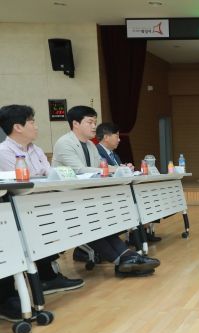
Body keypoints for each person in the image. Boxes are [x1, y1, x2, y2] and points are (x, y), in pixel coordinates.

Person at [52, 106, 161, 277]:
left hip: (83, 199)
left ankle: (127, 258)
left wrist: (121, 169)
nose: (94, 126)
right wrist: (113, 170)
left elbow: (101, 167)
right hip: (65, 202)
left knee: (102, 224)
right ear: (75, 124)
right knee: (94, 225)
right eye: (90, 122)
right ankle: (125, 260)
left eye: (95, 122)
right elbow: (79, 170)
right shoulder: (64, 143)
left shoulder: (90, 145)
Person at [0, 104, 85, 296]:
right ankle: (46, 278)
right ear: (17, 127)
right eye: (32, 122)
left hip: (40, 202)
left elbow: (49, 174)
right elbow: (21, 182)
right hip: (18, 208)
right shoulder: (3, 151)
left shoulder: (36, 149)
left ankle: (48, 276)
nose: (36, 126)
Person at [95, 122, 160, 243]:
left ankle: (142, 231)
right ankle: (137, 234)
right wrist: (122, 169)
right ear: (106, 137)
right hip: (110, 193)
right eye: (117, 136)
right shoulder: (96, 152)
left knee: (146, 195)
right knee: (138, 199)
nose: (119, 140)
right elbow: (103, 172)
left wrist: (127, 168)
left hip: (121, 189)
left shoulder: (114, 154)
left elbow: (118, 171)